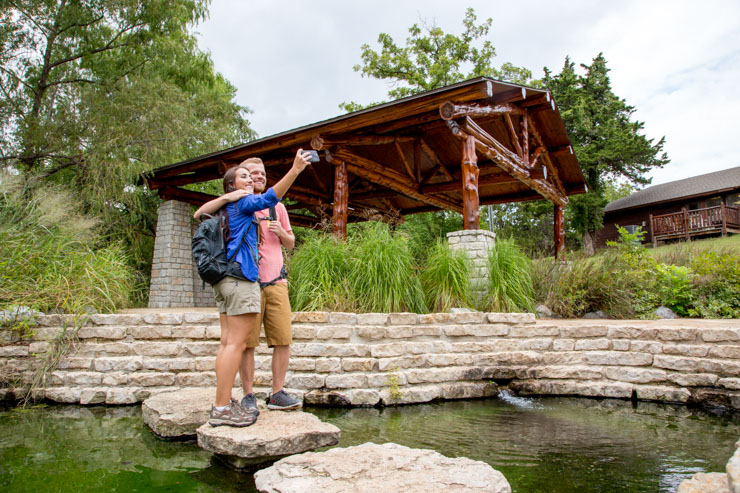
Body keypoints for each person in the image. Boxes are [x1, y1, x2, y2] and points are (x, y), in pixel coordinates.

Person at [193, 149, 311, 427]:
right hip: (242, 279)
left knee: (227, 343)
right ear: (232, 184)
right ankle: (223, 408)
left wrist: (228, 195)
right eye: (244, 175)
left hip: (225, 279)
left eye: (254, 175)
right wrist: (295, 170)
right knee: (237, 344)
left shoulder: (228, 205)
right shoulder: (245, 202)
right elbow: (272, 196)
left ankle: (222, 404)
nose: (251, 179)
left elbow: (200, 213)